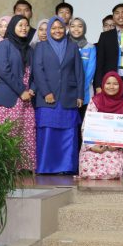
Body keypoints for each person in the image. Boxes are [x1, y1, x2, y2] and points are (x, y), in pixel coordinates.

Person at [33, 16, 84, 175]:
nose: (57, 31)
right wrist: (46, 92)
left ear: (65, 28)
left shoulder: (72, 46)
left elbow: (79, 72)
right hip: (47, 98)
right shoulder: (41, 47)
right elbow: (37, 71)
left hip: (68, 96)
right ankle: (46, 167)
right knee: (48, 133)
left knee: (68, 134)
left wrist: (80, 95)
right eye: (54, 28)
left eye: (60, 27)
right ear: (49, 30)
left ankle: (66, 167)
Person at [0, 15, 37, 171]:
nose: (24, 28)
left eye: (26, 25)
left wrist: (32, 89)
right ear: (12, 27)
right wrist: (21, 90)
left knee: (26, 132)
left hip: (27, 98)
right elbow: (4, 70)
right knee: (8, 133)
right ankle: (6, 168)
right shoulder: (4, 45)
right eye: (20, 25)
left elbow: (35, 73)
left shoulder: (30, 49)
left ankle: (24, 167)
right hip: (9, 96)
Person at [78, 71, 123, 180]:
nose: (111, 87)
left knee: (112, 171)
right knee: (89, 169)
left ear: (120, 85)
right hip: (93, 145)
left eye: (115, 84)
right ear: (103, 84)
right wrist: (92, 146)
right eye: (108, 83)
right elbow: (86, 126)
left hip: (115, 148)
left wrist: (116, 145)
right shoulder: (95, 101)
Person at [93, 3, 123, 91]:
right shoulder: (105, 36)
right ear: (114, 17)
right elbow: (100, 62)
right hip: (110, 80)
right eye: (117, 13)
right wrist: (98, 85)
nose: (120, 16)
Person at [68, 18, 95, 105]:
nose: (76, 29)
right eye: (73, 26)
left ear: (84, 29)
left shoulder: (90, 47)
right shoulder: (65, 46)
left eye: (80, 26)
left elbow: (90, 71)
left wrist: (81, 88)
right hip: (67, 90)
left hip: (85, 90)